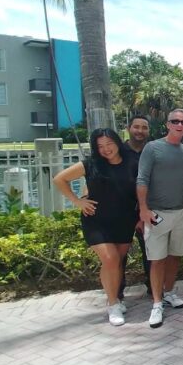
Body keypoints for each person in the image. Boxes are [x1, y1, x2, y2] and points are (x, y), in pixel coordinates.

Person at [54, 129, 139, 326]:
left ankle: (115, 298)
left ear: (117, 142)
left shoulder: (132, 163)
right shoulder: (91, 164)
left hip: (125, 219)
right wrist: (77, 201)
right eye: (100, 146)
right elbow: (59, 179)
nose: (106, 149)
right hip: (96, 219)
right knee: (110, 259)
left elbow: (141, 188)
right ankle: (112, 303)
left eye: (109, 143)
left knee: (116, 262)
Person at [136, 108, 183, 329]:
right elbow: (142, 179)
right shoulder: (152, 148)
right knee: (157, 259)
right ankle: (157, 303)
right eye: (175, 121)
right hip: (157, 212)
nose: (180, 125)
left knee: (175, 255)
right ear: (168, 124)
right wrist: (143, 209)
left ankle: (168, 292)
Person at [118, 114, 151, 301]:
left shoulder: (152, 150)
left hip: (146, 209)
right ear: (129, 128)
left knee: (151, 251)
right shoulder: (118, 150)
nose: (140, 131)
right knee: (119, 255)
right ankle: (117, 293)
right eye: (136, 127)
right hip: (122, 209)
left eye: (144, 127)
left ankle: (154, 289)